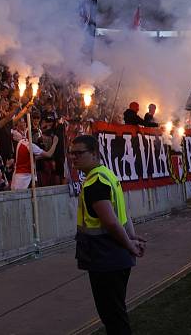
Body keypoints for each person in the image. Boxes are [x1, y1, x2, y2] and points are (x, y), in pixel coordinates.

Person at [69, 134, 145, 335]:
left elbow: (110, 221)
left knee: (113, 317)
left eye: (79, 153)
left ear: (94, 154)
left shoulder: (95, 182)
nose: (73, 157)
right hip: (115, 256)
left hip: (105, 256)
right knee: (116, 313)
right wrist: (132, 237)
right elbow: (123, 211)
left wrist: (130, 244)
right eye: (71, 153)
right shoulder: (106, 175)